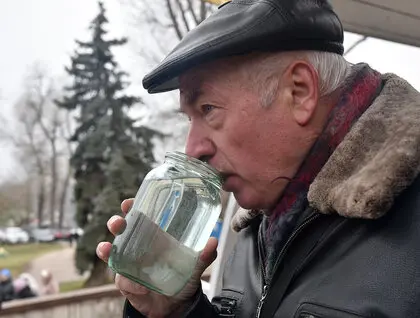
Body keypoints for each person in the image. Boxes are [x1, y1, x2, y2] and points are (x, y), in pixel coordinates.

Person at [96, 0, 420, 317]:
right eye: (189, 118)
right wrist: (179, 312)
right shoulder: (262, 221)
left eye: (208, 109)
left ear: (299, 91)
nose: (192, 149)